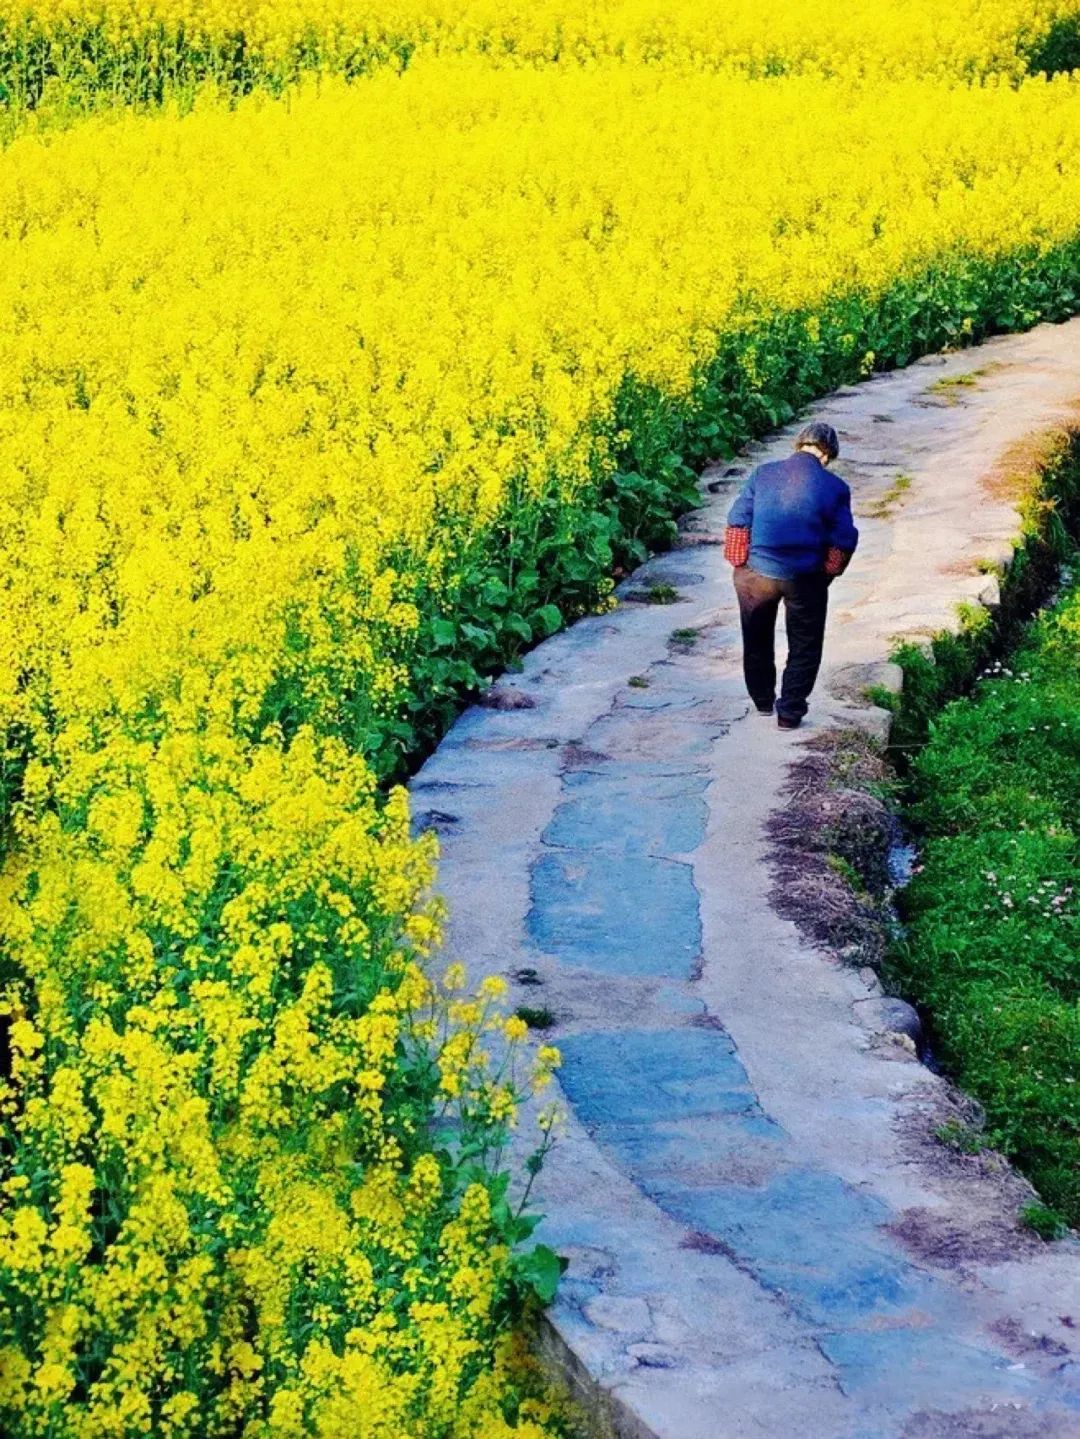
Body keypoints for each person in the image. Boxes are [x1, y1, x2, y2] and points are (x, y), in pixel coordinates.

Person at [722, 420, 858, 730]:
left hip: (756, 574)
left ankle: (762, 702)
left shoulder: (763, 473)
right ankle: (789, 713)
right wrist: (826, 575)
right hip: (804, 575)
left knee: (756, 637)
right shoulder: (836, 487)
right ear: (827, 455)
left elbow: (737, 521)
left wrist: (739, 564)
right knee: (805, 645)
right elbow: (843, 540)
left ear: (799, 445)